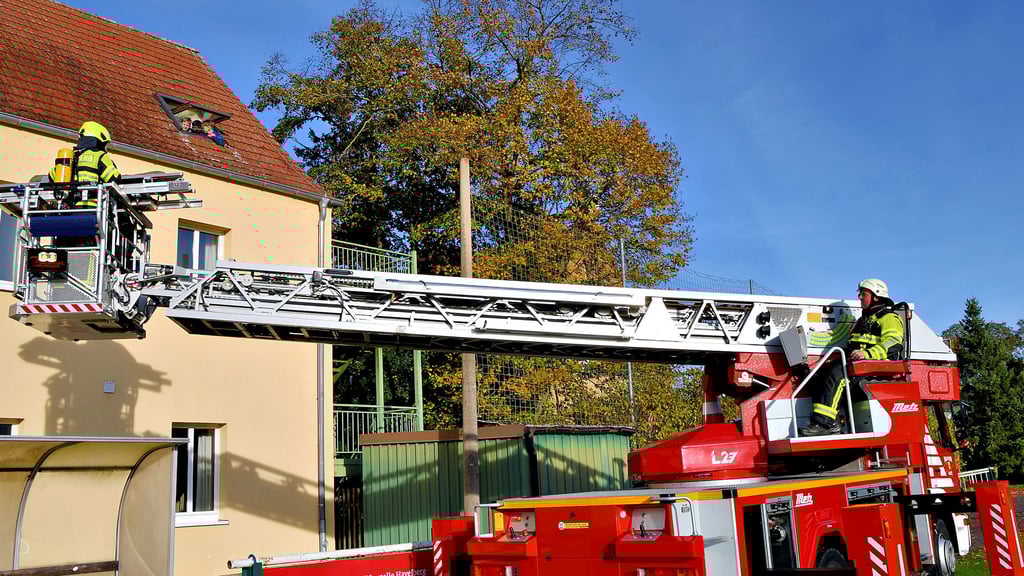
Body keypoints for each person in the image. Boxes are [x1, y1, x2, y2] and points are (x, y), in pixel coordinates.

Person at [798, 278, 906, 437]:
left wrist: (868, 355)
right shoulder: (863, 320)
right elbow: (853, 346)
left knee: (838, 374)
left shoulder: (889, 317)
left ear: (876, 296)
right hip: (858, 367)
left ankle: (823, 424)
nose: (860, 297)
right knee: (818, 375)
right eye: (860, 294)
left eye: (864, 294)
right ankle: (832, 422)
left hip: (876, 368)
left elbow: (893, 345)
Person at [49, 121, 122, 209]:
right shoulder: (100, 156)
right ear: (99, 141)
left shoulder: (70, 157)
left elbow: (52, 176)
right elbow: (114, 178)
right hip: (92, 207)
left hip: (69, 209)